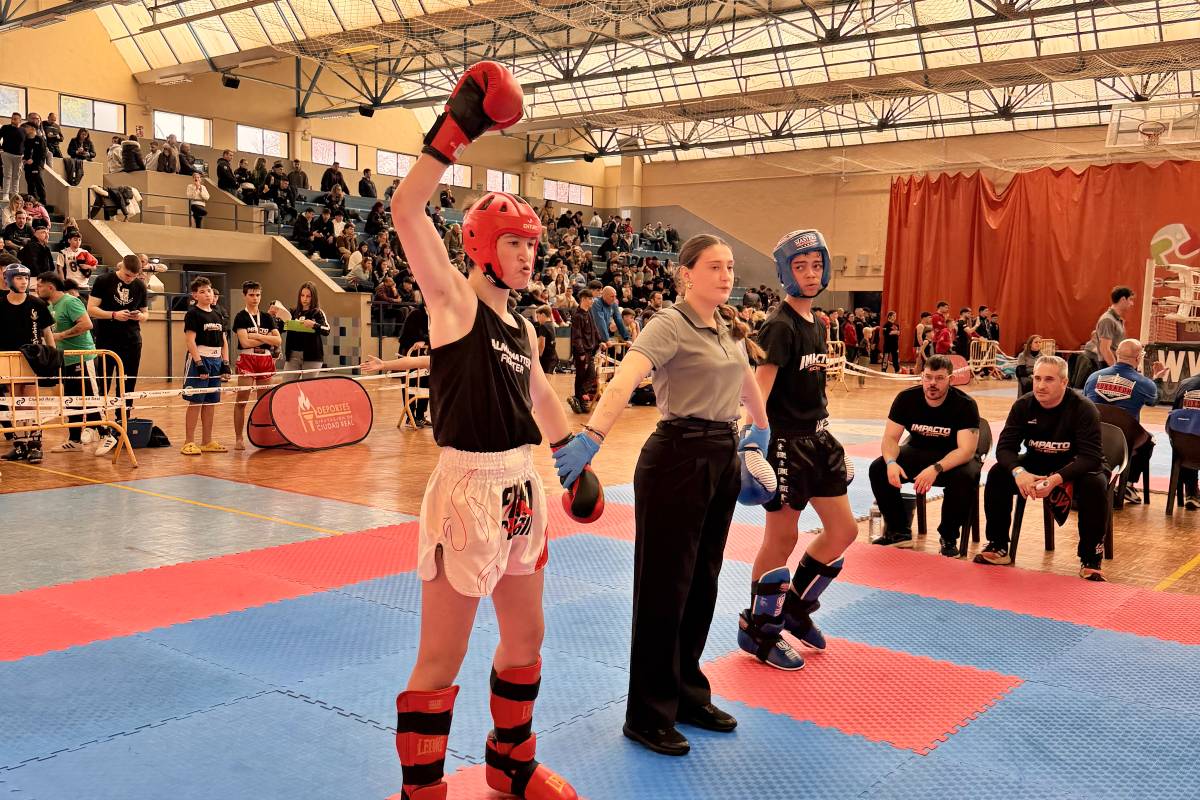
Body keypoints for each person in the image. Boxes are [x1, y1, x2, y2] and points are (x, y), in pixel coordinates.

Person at [388, 60, 579, 800]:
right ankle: (423, 792)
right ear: (481, 247)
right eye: (515, 242)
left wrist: (574, 459)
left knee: (526, 640)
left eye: (533, 243)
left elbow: (543, 402)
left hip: (521, 488)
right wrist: (455, 131)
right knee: (442, 657)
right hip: (466, 485)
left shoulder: (521, 326)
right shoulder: (454, 308)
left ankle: (509, 765)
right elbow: (407, 212)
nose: (528, 254)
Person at [554, 233, 770, 756]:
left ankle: (688, 696)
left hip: (722, 454)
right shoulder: (669, 323)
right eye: (715, 267)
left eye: (731, 266)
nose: (726, 275)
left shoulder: (728, 328)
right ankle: (648, 714)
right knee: (663, 588)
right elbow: (625, 379)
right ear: (686, 273)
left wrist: (759, 435)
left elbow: (748, 388)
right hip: (675, 456)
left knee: (703, 583)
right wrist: (593, 436)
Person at [733, 229, 859, 674]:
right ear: (786, 273)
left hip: (818, 440)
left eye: (816, 265)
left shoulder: (816, 323)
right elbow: (758, 391)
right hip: (785, 444)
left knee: (843, 530)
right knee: (782, 539)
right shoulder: (780, 325)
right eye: (800, 267)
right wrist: (754, 445)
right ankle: (759, 629)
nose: (810, 274)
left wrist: (828, 437)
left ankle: (796, 609)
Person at [978, 355, 1108, 580]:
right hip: (1036, 462)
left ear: (1064, 382)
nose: (1040, 385)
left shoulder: (1083, 409)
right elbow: (1005, 449)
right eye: (1037, 378)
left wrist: (1056, 479)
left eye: (1049, 379)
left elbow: (1091, 457)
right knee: (999, 474)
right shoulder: (1023, 405)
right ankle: (998, 545)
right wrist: (1020, 473)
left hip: (1075, 466)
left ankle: (1091, 557)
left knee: (1095, 484)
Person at [868, 355, 982, 554]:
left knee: (966, 476)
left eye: (939, 378)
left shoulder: (965, 405)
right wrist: (891, 462)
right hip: (918, 450)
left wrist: (936, 468)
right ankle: (898, 532)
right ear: (921, 376)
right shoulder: (906, 399)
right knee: (878, 468)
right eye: (928, 377)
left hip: (953, 458)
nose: (932, 383)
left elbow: (966, 451)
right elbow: (890, 439)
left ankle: (948, 536)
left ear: (951, 379)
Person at [1083, 338, 1167, 503]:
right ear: (1138, 358)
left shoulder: (1093, 377)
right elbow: (1154, 401)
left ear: (1117, 354)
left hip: (1092, 436)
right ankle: (1128, 484)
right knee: (1148, 442)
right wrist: (1158, 380)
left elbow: (1086, 403)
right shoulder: (1145, 384)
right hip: (1125, 441)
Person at [87, 254, 148, 456]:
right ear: (121, 268)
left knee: (128, 383)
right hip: (108, 339)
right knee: (104, 381)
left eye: (134, 276)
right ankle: (102, 426)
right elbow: (92, 309)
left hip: (132, 339)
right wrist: (113, 315)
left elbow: (146, 314)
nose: (130, 279)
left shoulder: (139, 286)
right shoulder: (104, 280)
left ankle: (123, 422)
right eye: (128, 275)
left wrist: (139, 315)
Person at [36, 272, 103, 450]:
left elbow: (86, 324)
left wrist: (61, 336)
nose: (37, 289)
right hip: (65, 360)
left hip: (82, 357)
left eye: (39, 286)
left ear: (50, 287)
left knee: (89, 397)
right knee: (71, 400)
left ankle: (105, 433)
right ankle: (74, 439)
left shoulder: (70, 301)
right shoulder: (51, 306)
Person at [0, 264, 54, 464]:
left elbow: (47, 333)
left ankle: (35, 445)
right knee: (16, 402)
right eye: (18, 278)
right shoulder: (1, 304)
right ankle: (20, 443)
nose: (23, 282)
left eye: (26, 278)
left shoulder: (37, 303)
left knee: (31, 402)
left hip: (32, 358)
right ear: (9, 280)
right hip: (9, 360)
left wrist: (52, 357)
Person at [180, 277, 231, 455]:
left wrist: (225, 363)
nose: (207, 294)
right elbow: (190, 341)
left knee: (210, 403)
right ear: (195, 295)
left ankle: (207, 441)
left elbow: (224, 340)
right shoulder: (193, 314)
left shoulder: (218, 313)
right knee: (196, 401)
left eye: (209, 290)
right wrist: (199, 364)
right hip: (200, 359)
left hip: (216, 360)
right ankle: (188, 442)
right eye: (202, 291)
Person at [231, 281, 281, 451]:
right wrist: (266, 338)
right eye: (251, 295)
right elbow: (244, 342)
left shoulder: (267, 317)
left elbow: (278, 340)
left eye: (258, 295)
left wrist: (258, 336)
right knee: (242, 400)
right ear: (244, 296)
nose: (255, 298)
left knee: (264, 401)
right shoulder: (241, 317)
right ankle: (239, 438)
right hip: (248, 358)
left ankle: (264, 436)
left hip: (265, 359)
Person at [1073, 286, 1135, 388]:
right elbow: (1104, 349)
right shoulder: (1108, 320)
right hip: (1108, 365)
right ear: (1123, 299)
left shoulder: (1116, 320)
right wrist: (1116, 370)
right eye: (1130, 300)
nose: (1132, 304)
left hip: (1112, 365)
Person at [283, 281, 329, 378]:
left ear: (313, 297)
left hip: (312, 357)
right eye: (302, 295)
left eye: (308, 296)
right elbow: (281, 328)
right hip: (293, 356)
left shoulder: (318, 313)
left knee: (308, 388)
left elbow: (327, 330)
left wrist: (314, 325)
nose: (305, 299)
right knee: (287, 387)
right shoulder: (292, 312)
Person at [569, 289, 601, 414]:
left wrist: (600, 341)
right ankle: (580, 399)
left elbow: (594, 329)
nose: (592, 301)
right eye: (590, 298)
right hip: (582, 352)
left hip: (589, 351)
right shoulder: (577, 316)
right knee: (582, 376)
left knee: (590, 375)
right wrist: (581, 352)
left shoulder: (589, 313)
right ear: (583, 299)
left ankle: (579, 397)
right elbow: (576, 337)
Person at [1171, 373, 1200, 510]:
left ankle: (1191, 493)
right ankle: (1192, 493)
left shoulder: (1185, 383)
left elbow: (1173, 417)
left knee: (1187, 435)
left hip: (1185, 446)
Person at [21, 123, 47, 205]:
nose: (24, 129)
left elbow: (43, 154)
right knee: (30, 183)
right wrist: (24, 160)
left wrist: (34, 161)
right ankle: (31, 201)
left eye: (26, 127)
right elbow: (24, 153)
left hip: (36, 165)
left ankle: (42, 201)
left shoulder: (40, 139)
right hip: (27, 166)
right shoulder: (25, 140)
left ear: (32, 128)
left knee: (38, 183)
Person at [1, 112, 24, 202]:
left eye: (15, 118)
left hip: (19, 156)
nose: (13, 120)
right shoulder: (5, 128)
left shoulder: (23, 130)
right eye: (12, 118)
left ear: (20, 120)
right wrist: (1, 149)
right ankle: (5, 195)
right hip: (7, 154)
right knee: (7, 175)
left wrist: (25, 155)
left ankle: (15, 195)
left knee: (16, 176)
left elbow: (26, 143)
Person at [533, 305, 558, 375]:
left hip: (546, 358)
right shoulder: (552, 325)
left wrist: (538, 358)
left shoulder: (543, 326)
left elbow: (541, 344)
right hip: (553, 357)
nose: (537, 319)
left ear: (543, 315)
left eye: (538, 316)